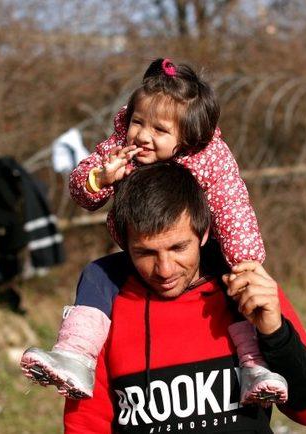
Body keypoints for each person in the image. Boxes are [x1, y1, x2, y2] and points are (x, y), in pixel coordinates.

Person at [21, 58, 282, 406]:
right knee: (97, 274)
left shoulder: (209, 156)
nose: (143, 136)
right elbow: (81, 186)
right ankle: (75, 355)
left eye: (159, 130)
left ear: (187, 135)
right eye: (138, 122)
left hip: (198, 253)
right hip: (138, 250)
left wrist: (245, 260)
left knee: (233, 289)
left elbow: (232, 202)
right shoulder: (120, 149)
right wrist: (101, 177)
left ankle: (253, 367)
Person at [63, 162, 306, 433]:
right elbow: (85, 425)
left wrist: (275, 333)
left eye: (178, 247)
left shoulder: (246, 290)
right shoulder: (100, 310)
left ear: (204, 232)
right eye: (146, 253)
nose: (165, 269)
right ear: (124, 244)